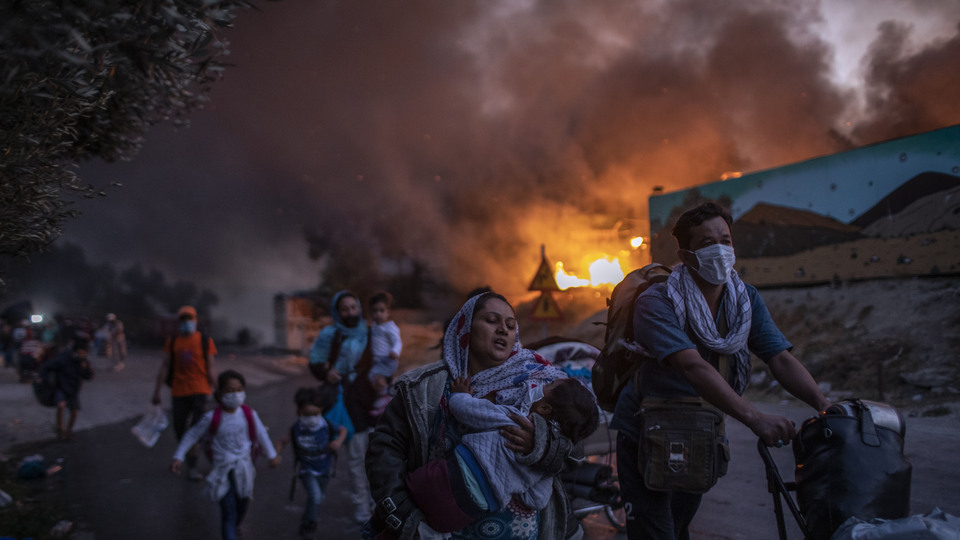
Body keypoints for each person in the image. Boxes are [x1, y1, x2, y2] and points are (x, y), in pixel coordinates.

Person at [611, 201, 831, 540]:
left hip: (700, 433)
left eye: (725, 241)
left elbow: (780, 358)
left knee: (679, 526)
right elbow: (691, 365)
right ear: (685, 256)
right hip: (646, 433)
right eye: (706, 244)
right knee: (655, 532)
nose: (720, 250)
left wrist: (823, 405)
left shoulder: (744, 300)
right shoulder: (656, 301)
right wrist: (756, 418)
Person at [365, 292, 583, 539]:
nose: (503, 329)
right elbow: (384, 450)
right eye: (492, 320)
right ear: (465, 326)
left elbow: (576, 447)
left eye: (511, 325)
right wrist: (406, 516)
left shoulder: (543, 384)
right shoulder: (424, 388)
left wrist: (543, 444)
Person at [406, 375, 599, 533]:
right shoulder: (546, 466)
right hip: (470, 509)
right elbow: (537, 500)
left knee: (406, 506)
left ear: (544, 408)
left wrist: (460, 395)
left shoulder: (516, 420)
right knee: (428, 530)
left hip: (444, 477)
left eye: (548, 384)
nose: (541, 384)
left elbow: (467, 411)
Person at [171, 370, 281, 540]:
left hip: (244, 468)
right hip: (222, 470)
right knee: (228, 509)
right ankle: (231, 528)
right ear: (220, 393)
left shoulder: (249, 414)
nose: (235, 394)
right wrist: (178, 456)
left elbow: (261, 434)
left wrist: (272, 455)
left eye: (239, 389)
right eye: (230, 390)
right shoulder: (211, 418)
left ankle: (236, 524)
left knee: (243, 501)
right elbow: (192, 434)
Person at [307, 290, 375, 523]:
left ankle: (378, 504)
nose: (350, 313)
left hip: (371, 403)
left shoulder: (370, 333)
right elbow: (315, 362)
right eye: (344, 309)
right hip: (345, 403)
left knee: (375, 458)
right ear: (337, 312)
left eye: (353, 307)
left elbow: (381, 363)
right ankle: (362, 509)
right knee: (356, 459)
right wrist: (328, 372)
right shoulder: (331, 334)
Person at [274, 385, 349, 540]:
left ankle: (306, 520)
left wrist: (338, 443)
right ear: (299, 412)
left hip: (325, 470)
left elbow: (343, 430)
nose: (312, 418)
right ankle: (309, 526)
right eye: (307, 414)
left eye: (316, 413)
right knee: (315, 497)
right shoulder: (297, 428)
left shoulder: (326, 425)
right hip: (307, 470)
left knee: (318, 498)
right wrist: (275, 455)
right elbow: (282, 441)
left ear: (321, 410)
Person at [153, 305, 218, 481]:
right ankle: (189, 455)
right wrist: (157, 391)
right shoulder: (173, 341)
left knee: (196, 429)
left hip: (200, 390)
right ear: (179, 322)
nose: (187, 322)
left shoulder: (205, 341)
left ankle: (193, 467)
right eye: (183, 319)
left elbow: (211, 368)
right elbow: (165, 366)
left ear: (195, 320)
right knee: (180, 429)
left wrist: (218, 390)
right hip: (179, 391)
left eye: (190, 318)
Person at [39, 337, 94, 440]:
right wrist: (41, 377)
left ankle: (69, 431)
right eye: (80, 352)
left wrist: (85, 367)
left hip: (73, 390)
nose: (82, 355)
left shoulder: (83, 361)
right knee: (61, 405)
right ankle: (60, 429)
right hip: (61, 387)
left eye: (84, 353)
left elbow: (89, 376)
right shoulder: (63, 358)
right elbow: (47, 366)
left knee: (75, 411)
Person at [367, 291, 402, 417]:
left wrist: (395, 351)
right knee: (374, 378)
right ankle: (383, 403)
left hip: (388, 359)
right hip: (379, 360)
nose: (378, 314)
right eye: (375, 311)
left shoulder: (390, 327)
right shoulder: (375, 326)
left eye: (382, 311)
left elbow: (397, 341)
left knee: (375, 378)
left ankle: (386, 400)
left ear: (388, 312)